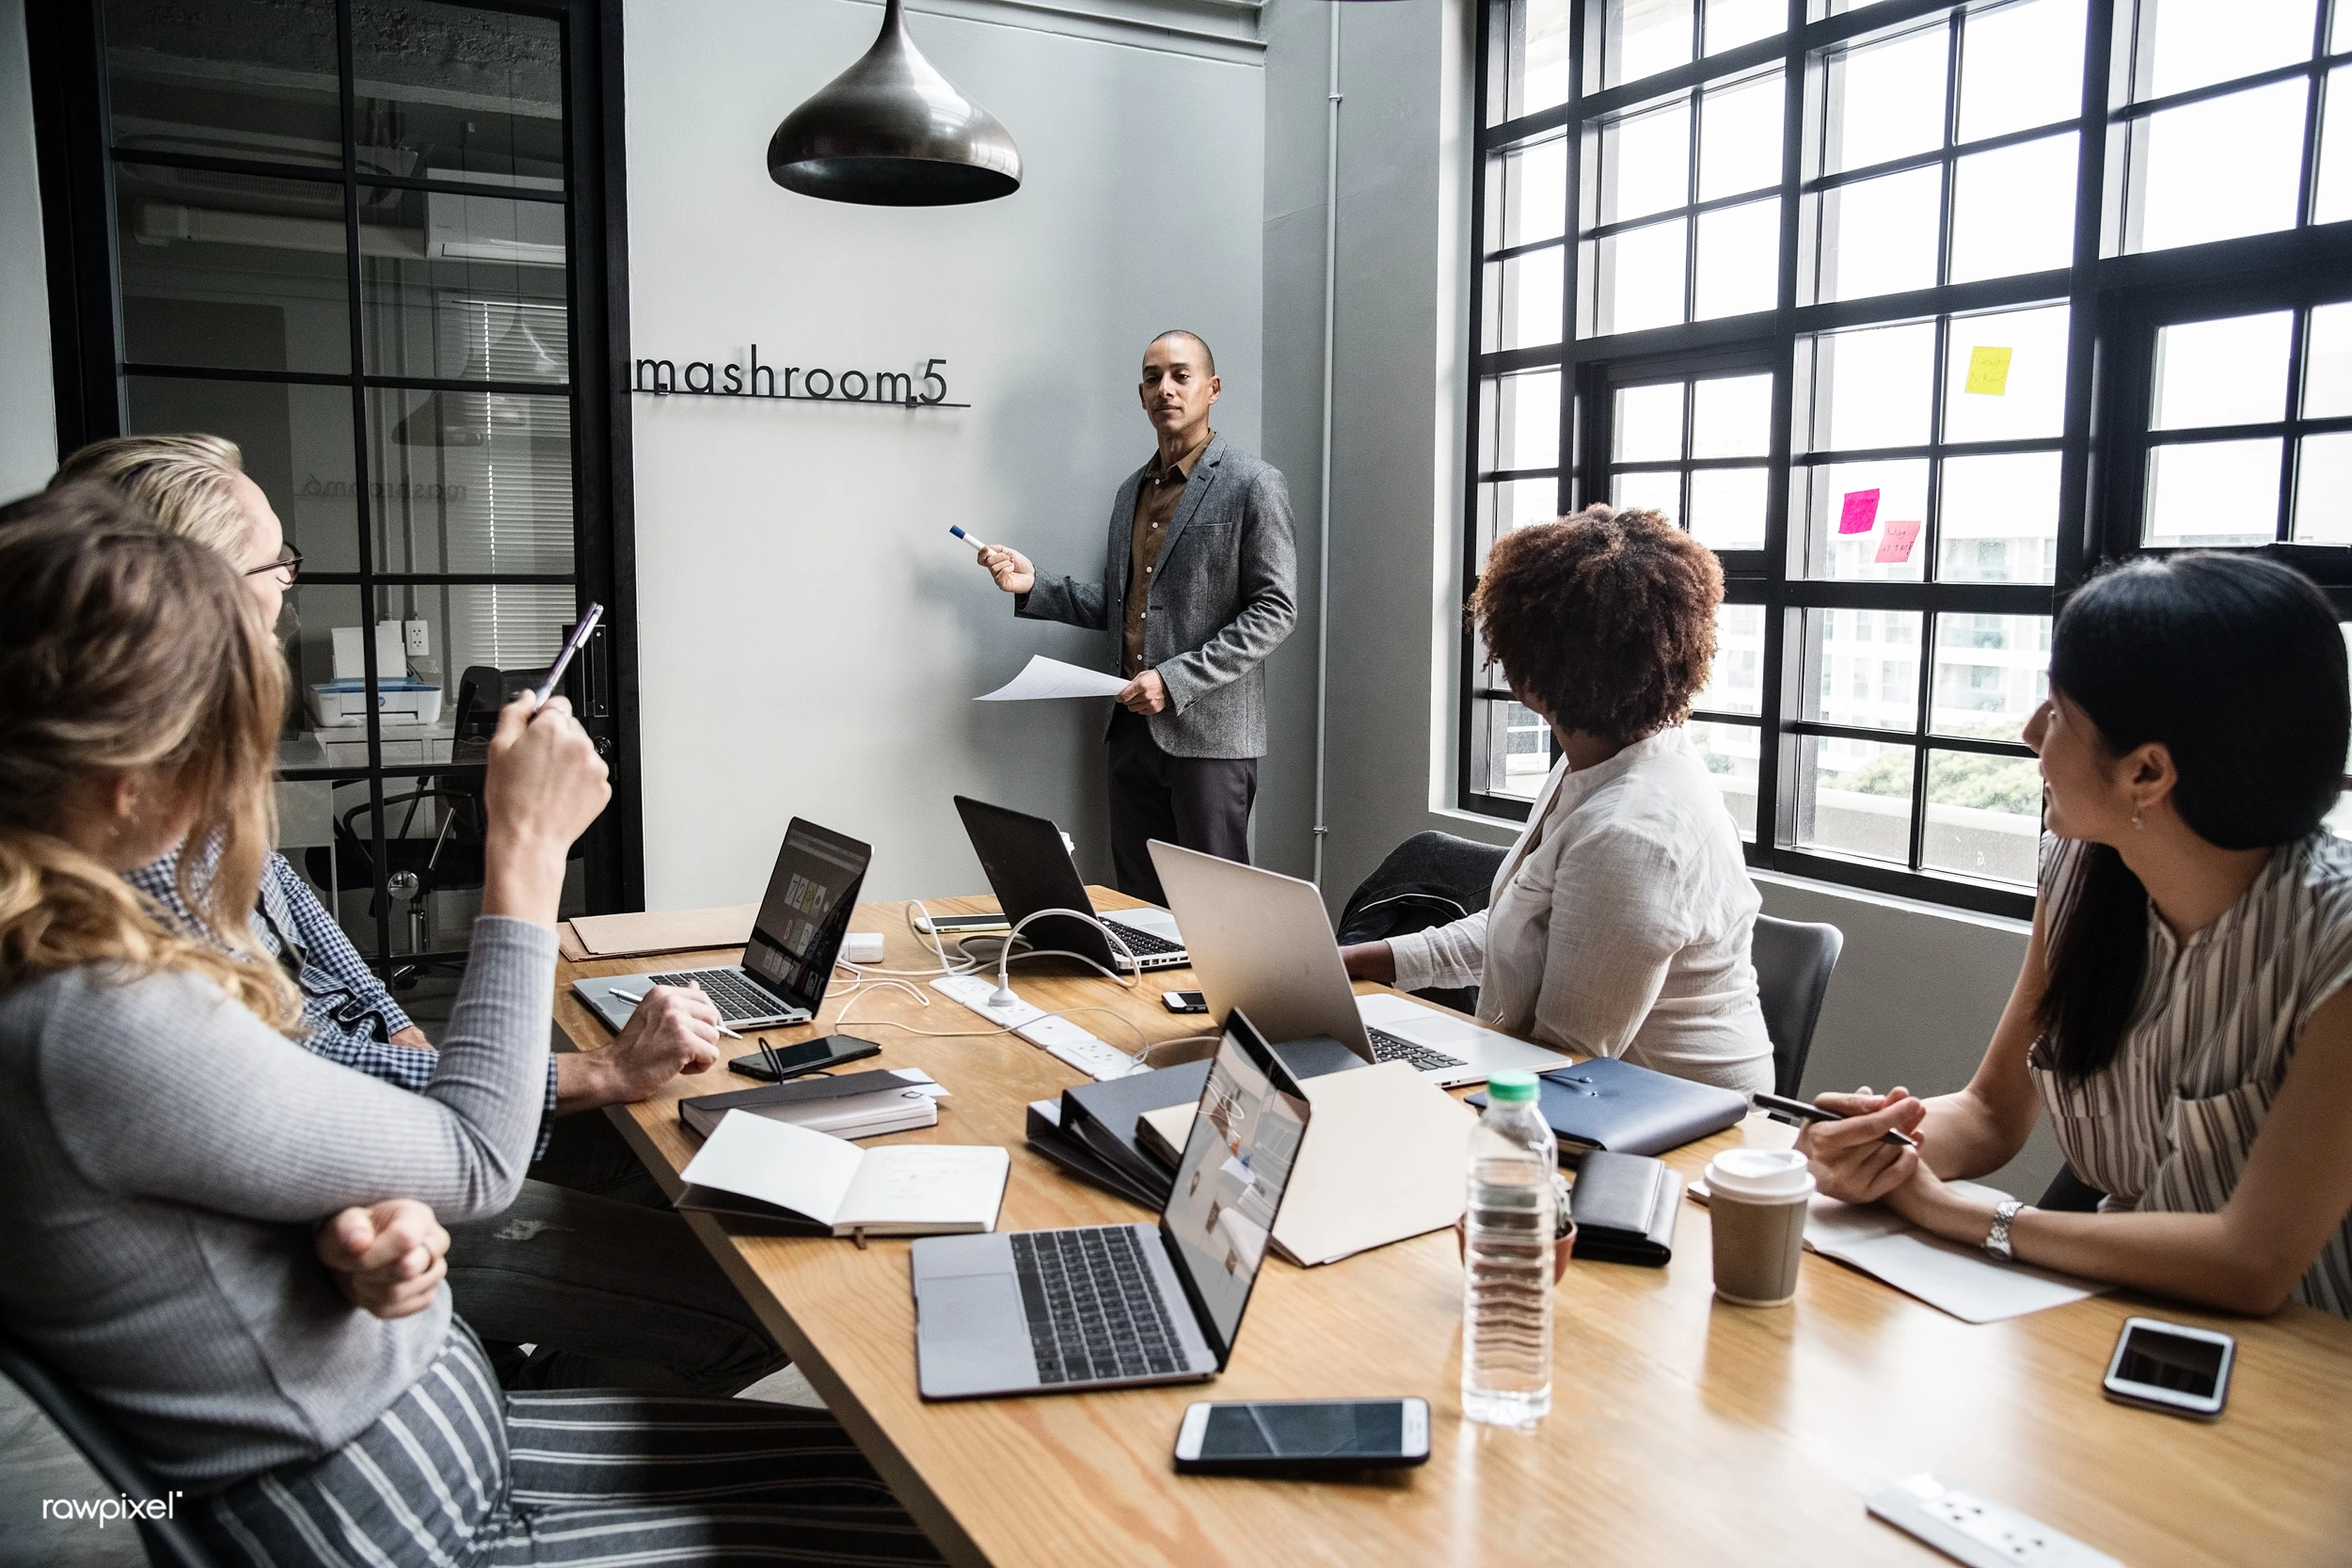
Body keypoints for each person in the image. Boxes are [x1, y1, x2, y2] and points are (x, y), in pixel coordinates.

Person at [0, 488, 939, 1564]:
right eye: (225, 741)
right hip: (392, 1524)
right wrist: (524, 849)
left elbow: (186, 1207)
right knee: (935, 1529)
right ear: (128, 784)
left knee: (903, 1484)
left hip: (424, 1455)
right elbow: (477, 1159)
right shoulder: (92, 1012)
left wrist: (336, 1233)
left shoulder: (67, 969)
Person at [48, 434, 787, 1396]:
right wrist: (523, 851)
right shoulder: (133, 874)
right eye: (275, 565)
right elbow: (419, 1132)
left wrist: (418, 1043)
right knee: (753, 1295)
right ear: (194, 600)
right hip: (358, 1193)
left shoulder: (197, 801)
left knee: (691, 1137)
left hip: (391, 1138)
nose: (287, 592)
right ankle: (513, 1403)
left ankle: (518, 1375)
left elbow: (331, 961)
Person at [1798, 553, 2352, 1317]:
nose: (2029, 732)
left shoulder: (2335, 943)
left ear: (2148, 773)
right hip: (2109, 1320)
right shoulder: (2082, 869)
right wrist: (1889, 1148)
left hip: (2304, 1377)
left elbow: (2251, 1261)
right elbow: (1993, 1112)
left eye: (2056, 710)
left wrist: (1959, 1212)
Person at [1339, 507, 1772, 1094]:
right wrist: (1362, 961)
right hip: (1596, 1096)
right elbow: (1526, 929)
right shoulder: (1603, 756)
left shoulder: (1630, 831)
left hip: (1677, 1139)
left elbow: (1565, 1064)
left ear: (1527, 673)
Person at [974, 331, 1297, 904]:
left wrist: (1174, 682)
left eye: (1181, 375)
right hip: (1129, 734)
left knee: (1216, 907)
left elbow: (1274, 610)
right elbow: (1131, 606)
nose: (1165, 389)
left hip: (1210, 742)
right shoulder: (1131, 493)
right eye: (1153, 378)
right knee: (1139, 907)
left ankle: (1220, 1001)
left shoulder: (1253, 484)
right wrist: (1035, 585)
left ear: (1212, 388)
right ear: (1141, 393)